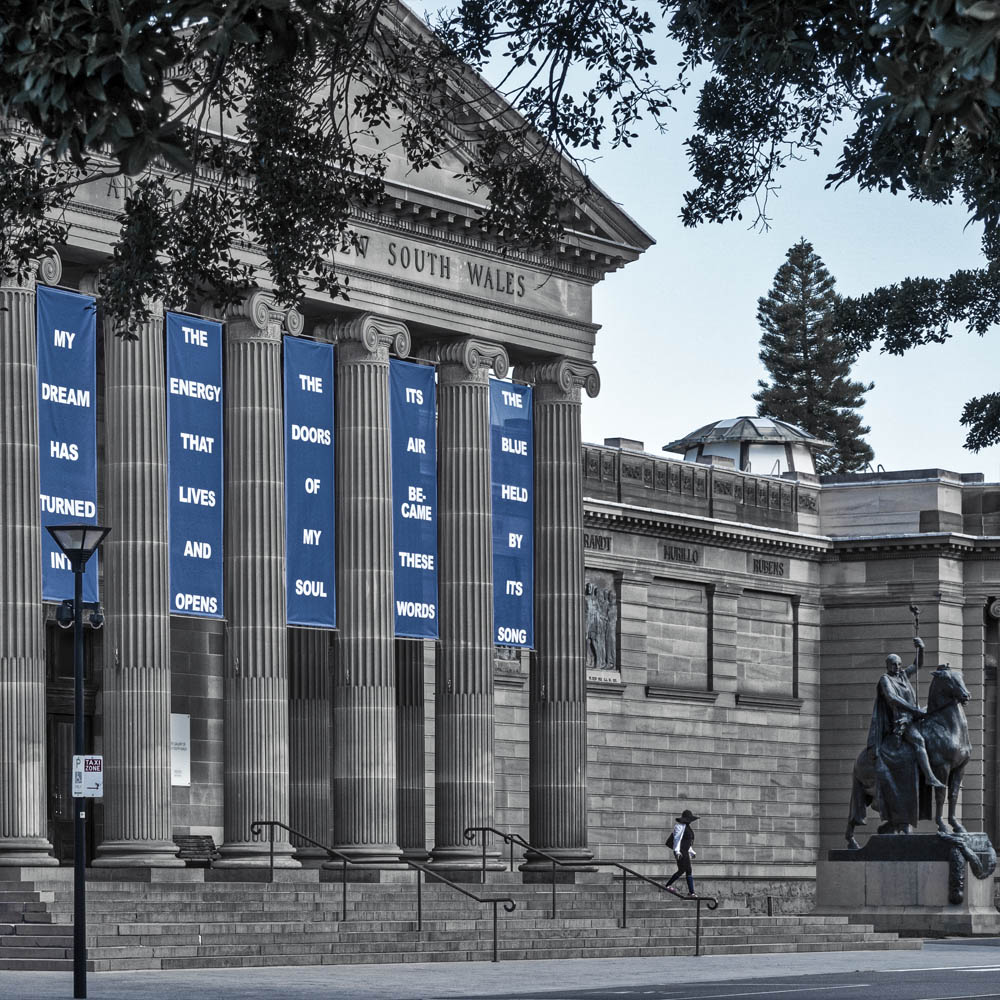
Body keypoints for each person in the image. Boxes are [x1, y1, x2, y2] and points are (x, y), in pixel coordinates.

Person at [868, 636, 945, 791]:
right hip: (902, 720)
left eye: (898, 664)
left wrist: (921, 648)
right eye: (893, 664)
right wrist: (912, 709)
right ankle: (930, 778)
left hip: (915, 714)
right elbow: (892, 697)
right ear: (887, 665)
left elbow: (918, 665)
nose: (897, 667)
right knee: (919, 741)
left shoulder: (903, 675)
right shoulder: (886, 680)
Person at [664, 808, 698, 897]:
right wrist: (677, 851)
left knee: (686, 870)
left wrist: (691, 852)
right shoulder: (679, 827)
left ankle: (691, 892)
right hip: (681, 852)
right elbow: (677, 840)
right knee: (684, 870)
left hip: (685, 851)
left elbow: (687, 842)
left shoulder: (688, 827)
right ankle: (668, 885)